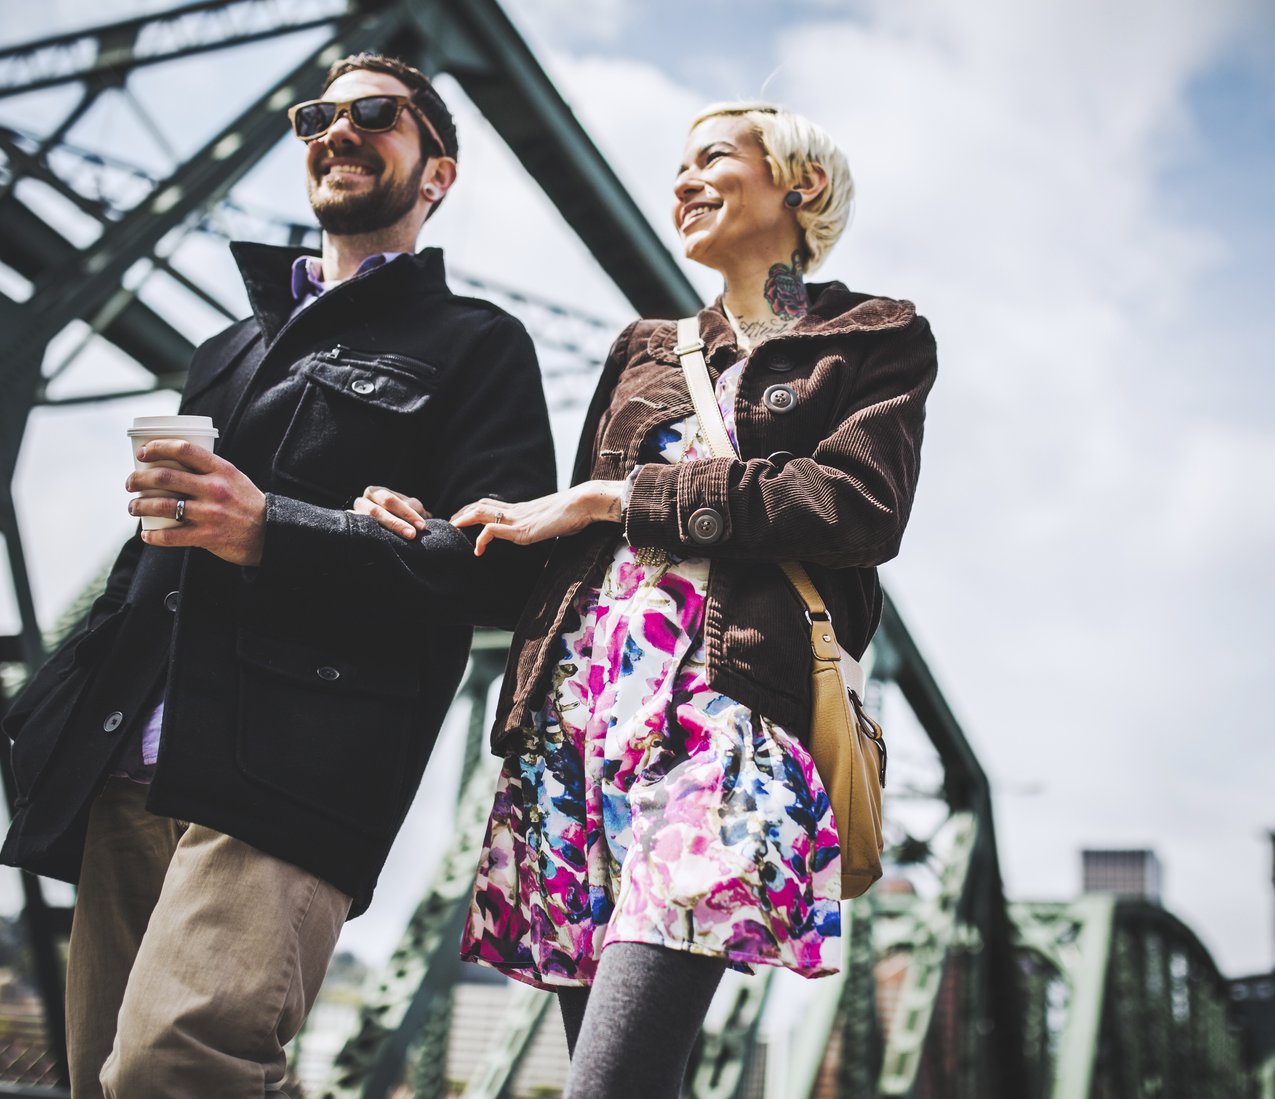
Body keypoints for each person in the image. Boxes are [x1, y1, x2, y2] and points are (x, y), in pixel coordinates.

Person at [0, 54, 557, 1098]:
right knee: (101, 1079)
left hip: (291, 767)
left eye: (375, 115)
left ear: (436, 174)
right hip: (129, 761)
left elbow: (504, 574)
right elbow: (148, 560)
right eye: (317, 116)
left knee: (178, 1069)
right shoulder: (229, 346)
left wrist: (276, 531)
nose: (336, 132)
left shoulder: (477, 345)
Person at [355, 101, 937, 1098]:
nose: (681, 182)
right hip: (577, 726)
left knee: (610, 1082)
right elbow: (565, 537)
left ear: (798, 183)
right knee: (624, 1076)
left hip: (727, 715)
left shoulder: (870, 337)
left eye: (713, 158)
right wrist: (432, 526)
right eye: (676, 165)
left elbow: (853, 506)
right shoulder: (646, 349)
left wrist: (620, 496)